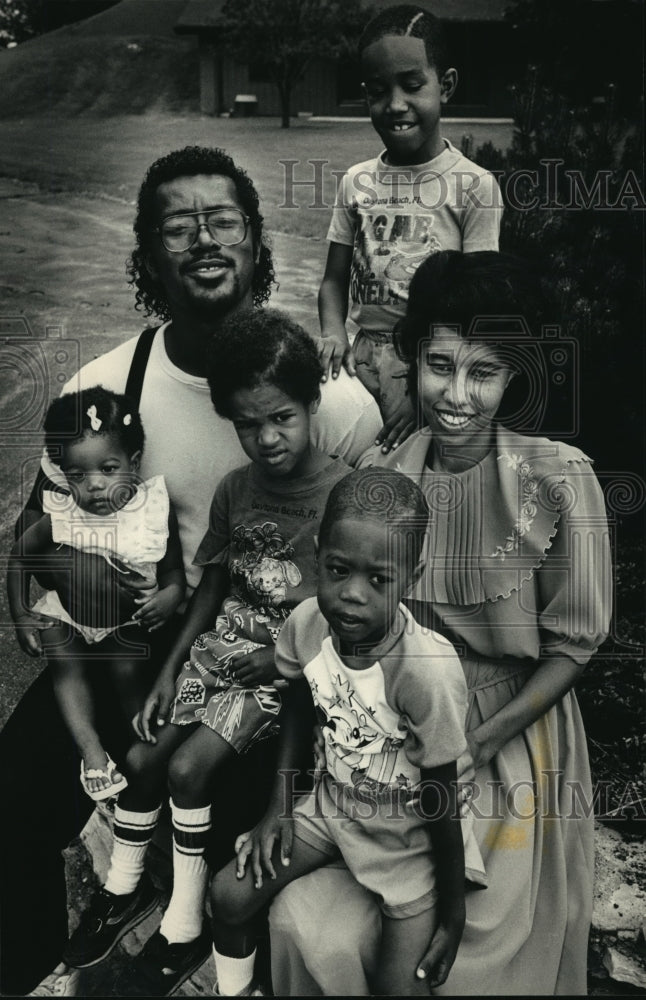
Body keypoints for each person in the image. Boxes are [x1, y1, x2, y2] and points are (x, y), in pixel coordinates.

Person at [1, 145, 380, 997]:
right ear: (148, 255)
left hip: (277, 657)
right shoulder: (106, 384)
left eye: (223, 220)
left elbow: (375, 561)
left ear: (253, 242)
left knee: (218, 819)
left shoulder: (335, 398)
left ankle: (183, 944)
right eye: (178, 226)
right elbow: (37, 519)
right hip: (142, 643)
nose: (204, 240)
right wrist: (52, 593)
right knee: (14, 796)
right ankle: (29, 970)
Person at [268, 251, 612, 996]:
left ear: (514, 375)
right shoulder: (392, 471)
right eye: (439, 366)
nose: (456, 395)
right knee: (308, 925)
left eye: (482, 373)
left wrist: (479, 743)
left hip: (516, 737)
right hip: (399, 731)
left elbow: (574, 647)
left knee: (464, 966)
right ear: (412, 359)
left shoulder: (558, 479)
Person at [62, 309, 352, 996]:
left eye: (281, 417)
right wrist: (167, 674)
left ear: (312, 403)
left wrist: (284, 661)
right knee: (140, 755)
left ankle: (185, 921)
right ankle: (125, 889)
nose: (266, 437)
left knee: (189, 769)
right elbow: (212, 584)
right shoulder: (237, 488)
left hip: (283, 672)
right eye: (248, 424)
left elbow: (343, 618)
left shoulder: (341, 493)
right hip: (222, 651)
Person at [210, 467, 487, 997]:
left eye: (379, 580)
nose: (352, 596)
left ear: (415, 574)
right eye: (338, 570)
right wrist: (280, 807)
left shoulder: (426, 671)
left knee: (400, 986)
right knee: (227, 897)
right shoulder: (310, 622)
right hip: (333, 804)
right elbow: (297, 698)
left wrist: (452, 912)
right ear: (318, 553)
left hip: (408, 836)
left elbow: (441, 794)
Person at [318, 3, 502, 452]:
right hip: (358, 359)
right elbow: (333, 280)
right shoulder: (356, 181)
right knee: (345, 470)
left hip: (428, 364)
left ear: (447, 86)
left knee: (409, 477)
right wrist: (333, 334)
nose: (395, 104)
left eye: (412, 86)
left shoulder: (473, 186)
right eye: (379, 90)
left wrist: (426, 387)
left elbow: (478, 305)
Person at [7, 386, 185, 800]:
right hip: (69, 616)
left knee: (126, 672)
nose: (95, 487)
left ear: (133, 463)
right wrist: (19, 614)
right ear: (64, 475)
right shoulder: (61, 515)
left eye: (108, 469)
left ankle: (141, 745)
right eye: (78, 476)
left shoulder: (153, 511)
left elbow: (173, 571)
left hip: (124, 622)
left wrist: (171, 596)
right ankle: (92, 753)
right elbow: (18, 556)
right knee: (63, 661)